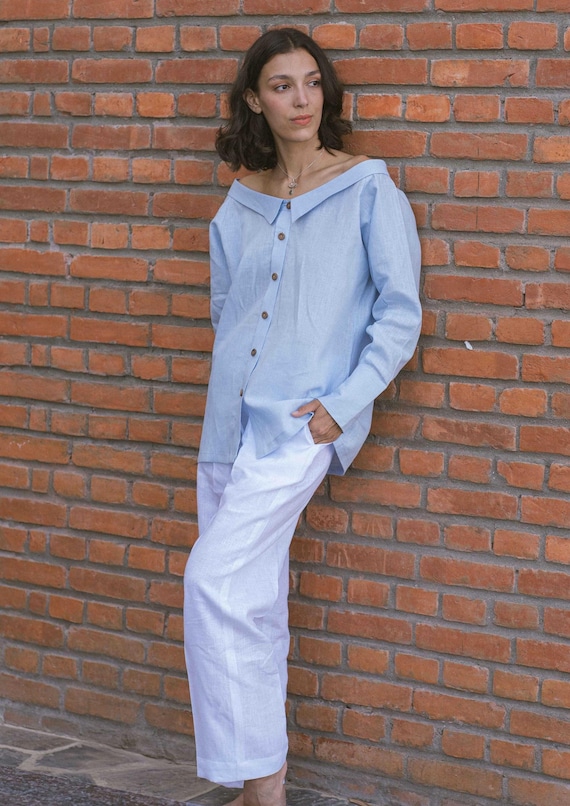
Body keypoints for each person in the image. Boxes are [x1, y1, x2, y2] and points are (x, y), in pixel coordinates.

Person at [183, 27, 422, 806]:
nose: (301, 99)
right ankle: (267, 788)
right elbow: (228, 307)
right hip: (227, 427)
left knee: (211, 581)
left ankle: (256, 779)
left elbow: (400, 314)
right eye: (282, 85)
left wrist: (342, 407)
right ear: (255, 99)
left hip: (299, 426)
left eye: (312, 82)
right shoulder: (240, 199)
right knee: (251, 604)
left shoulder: (366, 187)